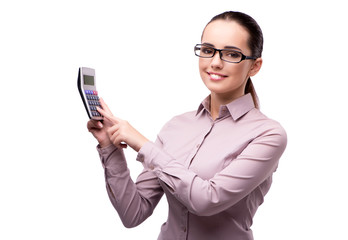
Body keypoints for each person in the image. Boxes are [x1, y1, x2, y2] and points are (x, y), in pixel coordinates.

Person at [87, 11, 287, 240]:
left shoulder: (268, 135)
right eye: (208, 50)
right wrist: (109, 146)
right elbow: (134, 213)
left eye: (232, 54)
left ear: (254, 66)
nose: (215, 63)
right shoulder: (176, 126)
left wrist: (143, 145)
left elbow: (207, 200)